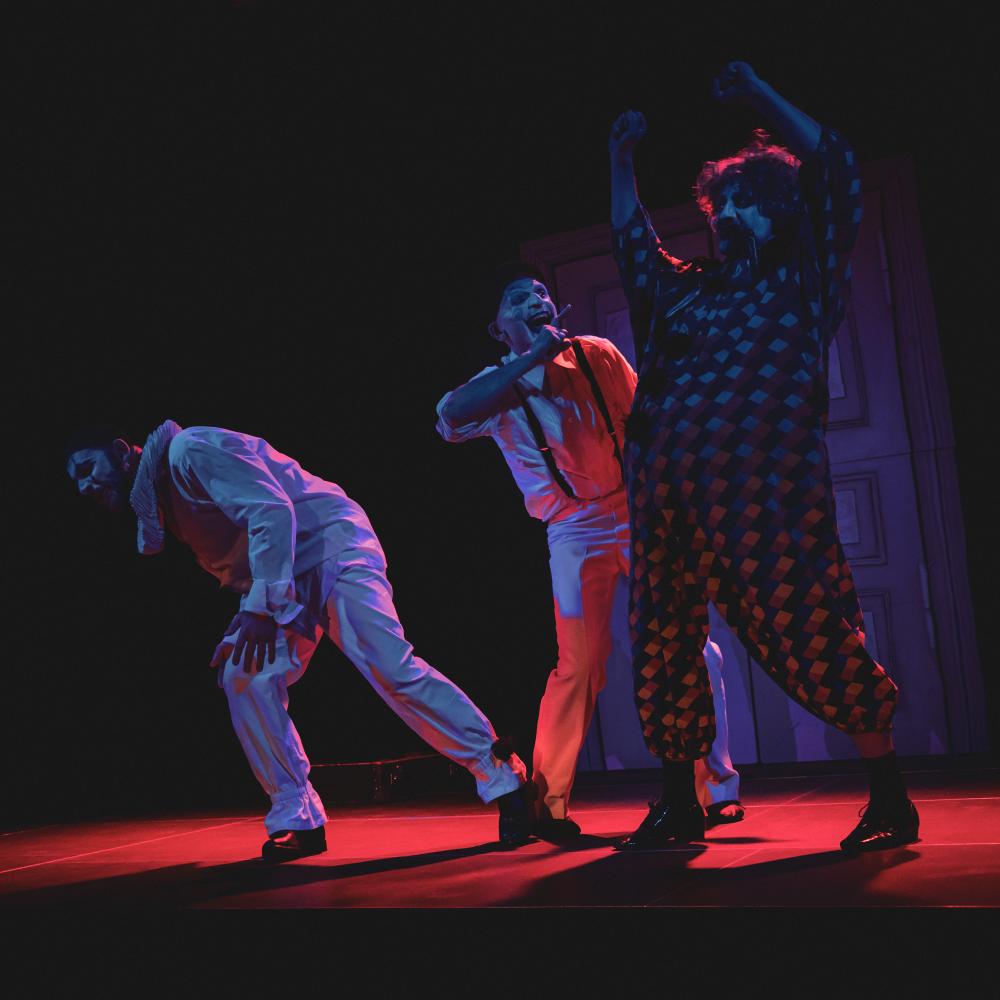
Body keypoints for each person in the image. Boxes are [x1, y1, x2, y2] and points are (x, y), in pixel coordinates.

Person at [608, 61, 918, 852]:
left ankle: (891, 797)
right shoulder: (684, 289)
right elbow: (631, 243)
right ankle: (679, 802)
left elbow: (835, 165)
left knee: (811, 626)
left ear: (778, 209)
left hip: (762, 496)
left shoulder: (800, 278)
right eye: (721, 202)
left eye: (744, 199)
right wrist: (621, 160)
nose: (727, 212)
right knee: (662, 641)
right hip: (666, 495)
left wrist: (757, 96)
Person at [65, 421, 533, 862]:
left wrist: (259, 609)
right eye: (75, 481)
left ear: (123, 453)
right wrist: (250, 610)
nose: (84, 486)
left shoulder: (189, 451)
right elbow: (246, 549)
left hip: (331, 547)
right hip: (285, 576)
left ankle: (503, 775)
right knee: (244, 677)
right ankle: (298, 815)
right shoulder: (164, 497)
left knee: (389, 664)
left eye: (88, 468)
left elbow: (270, 511)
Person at [436, 263, 742, 842]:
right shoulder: (498, 383)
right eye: (518, 298)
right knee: (579, 664)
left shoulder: (596, 353)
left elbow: (648, 419)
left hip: (635, 512)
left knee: (696, 649)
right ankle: (547, 804)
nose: (535, 301)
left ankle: (717, 788)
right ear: (499, 328)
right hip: (572, 528)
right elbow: (450, 417)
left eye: (541, 293)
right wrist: (530, 358)